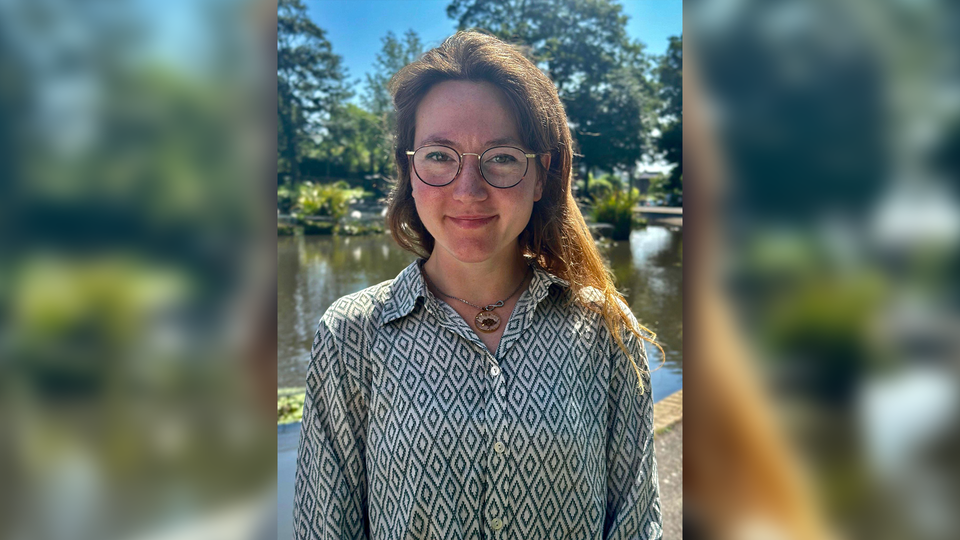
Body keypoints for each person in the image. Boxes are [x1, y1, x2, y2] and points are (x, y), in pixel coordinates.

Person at [294, 30, 662, 540]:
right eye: (440, 156)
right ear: (409, 169)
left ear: (540, 175)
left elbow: (635, 524)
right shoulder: (352, 336)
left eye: (502, 157)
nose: (469, 191)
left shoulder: (604, 331)